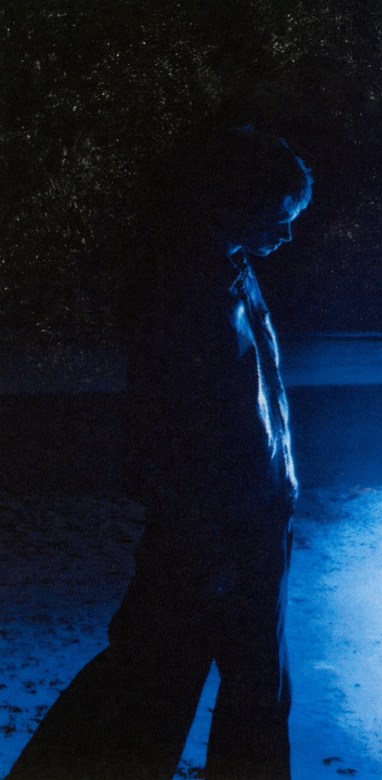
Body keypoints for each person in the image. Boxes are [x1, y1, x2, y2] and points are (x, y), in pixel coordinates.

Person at [8, 127, 313, 779]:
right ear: (239, 202)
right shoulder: (191, 289)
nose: (288, 234)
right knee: (173, 683)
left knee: (203, 683)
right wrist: (216, 535)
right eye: (279, 216)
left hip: (245, 521)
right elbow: (172, 428)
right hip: (221, 527)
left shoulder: (224, 274)